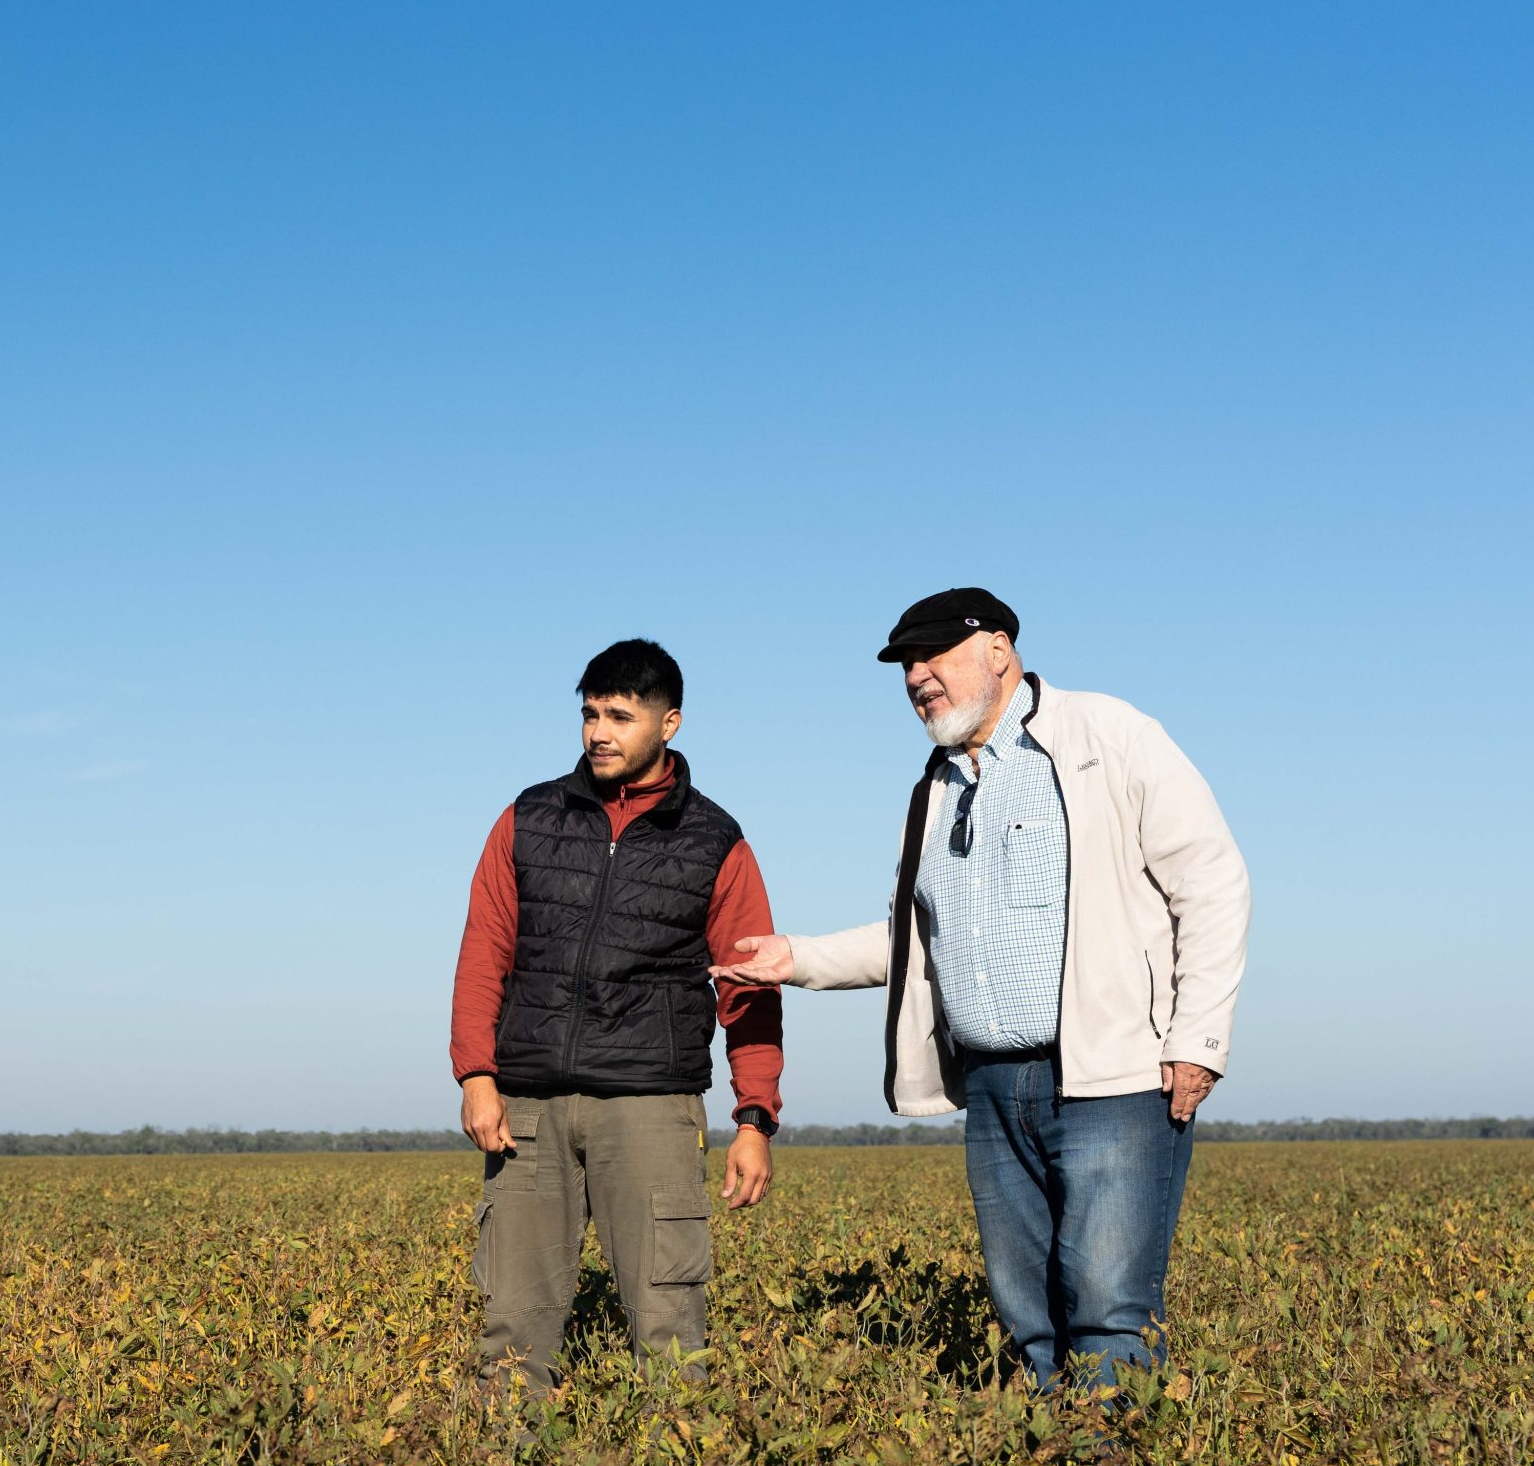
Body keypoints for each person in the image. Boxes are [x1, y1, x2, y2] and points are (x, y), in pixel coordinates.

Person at [713, 589, 1249, 1387]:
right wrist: (795, 958)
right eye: (905, 666)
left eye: (933, 658)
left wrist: (1198, 1040)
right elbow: (914, 938)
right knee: (1024, 1315)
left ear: (999, 650)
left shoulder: (1110, 735)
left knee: (1106, 1307)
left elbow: (1211, 882)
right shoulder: (935, 789)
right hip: (995, 1088)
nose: (916, 678)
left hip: (1116, 1080)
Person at [451, 638, 783, 1390]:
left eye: (620, 716)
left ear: (669, 724)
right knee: (513, 1322)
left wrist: (755, 1117)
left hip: (650, 1103)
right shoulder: (527, 818)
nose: (599, 732)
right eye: (590, 714)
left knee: (669, 1322)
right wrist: (476, 1074)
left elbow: (750, 987)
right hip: (526, 1104)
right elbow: (483, 953)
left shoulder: (715, 841)